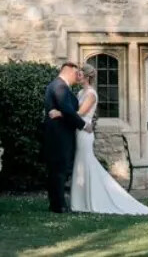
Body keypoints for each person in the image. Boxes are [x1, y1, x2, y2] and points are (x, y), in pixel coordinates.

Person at [65, 64, 148, 216]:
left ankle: (93, 199)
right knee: (81, 164)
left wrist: (62, 113)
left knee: (86, 163)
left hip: (85, 133)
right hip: (80, 130)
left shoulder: (91, 94)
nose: (78, 76)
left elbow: (80, 113)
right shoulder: (81, 92)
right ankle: (80, 201)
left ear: (87, 76)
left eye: (80, 73)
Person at [43, 62, 87, 213]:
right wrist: (83, 125)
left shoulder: (56, 85)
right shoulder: (60, 86)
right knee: (60, 169)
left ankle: (55, 203)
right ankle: (59, 205)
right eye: (76, 73)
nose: (77, 76)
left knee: (56, 169)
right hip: (60, 135)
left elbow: (67, 110)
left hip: (56, 135)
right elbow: (68, 110)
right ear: (68, 71)